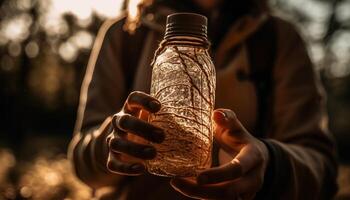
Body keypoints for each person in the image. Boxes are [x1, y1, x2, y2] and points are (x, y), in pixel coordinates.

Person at [68, 0, 338, 199]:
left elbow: (322, 169)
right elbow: (81, 163)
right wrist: (111, 144)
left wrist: (271, 162)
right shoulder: (125, 33)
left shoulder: (278, 39)